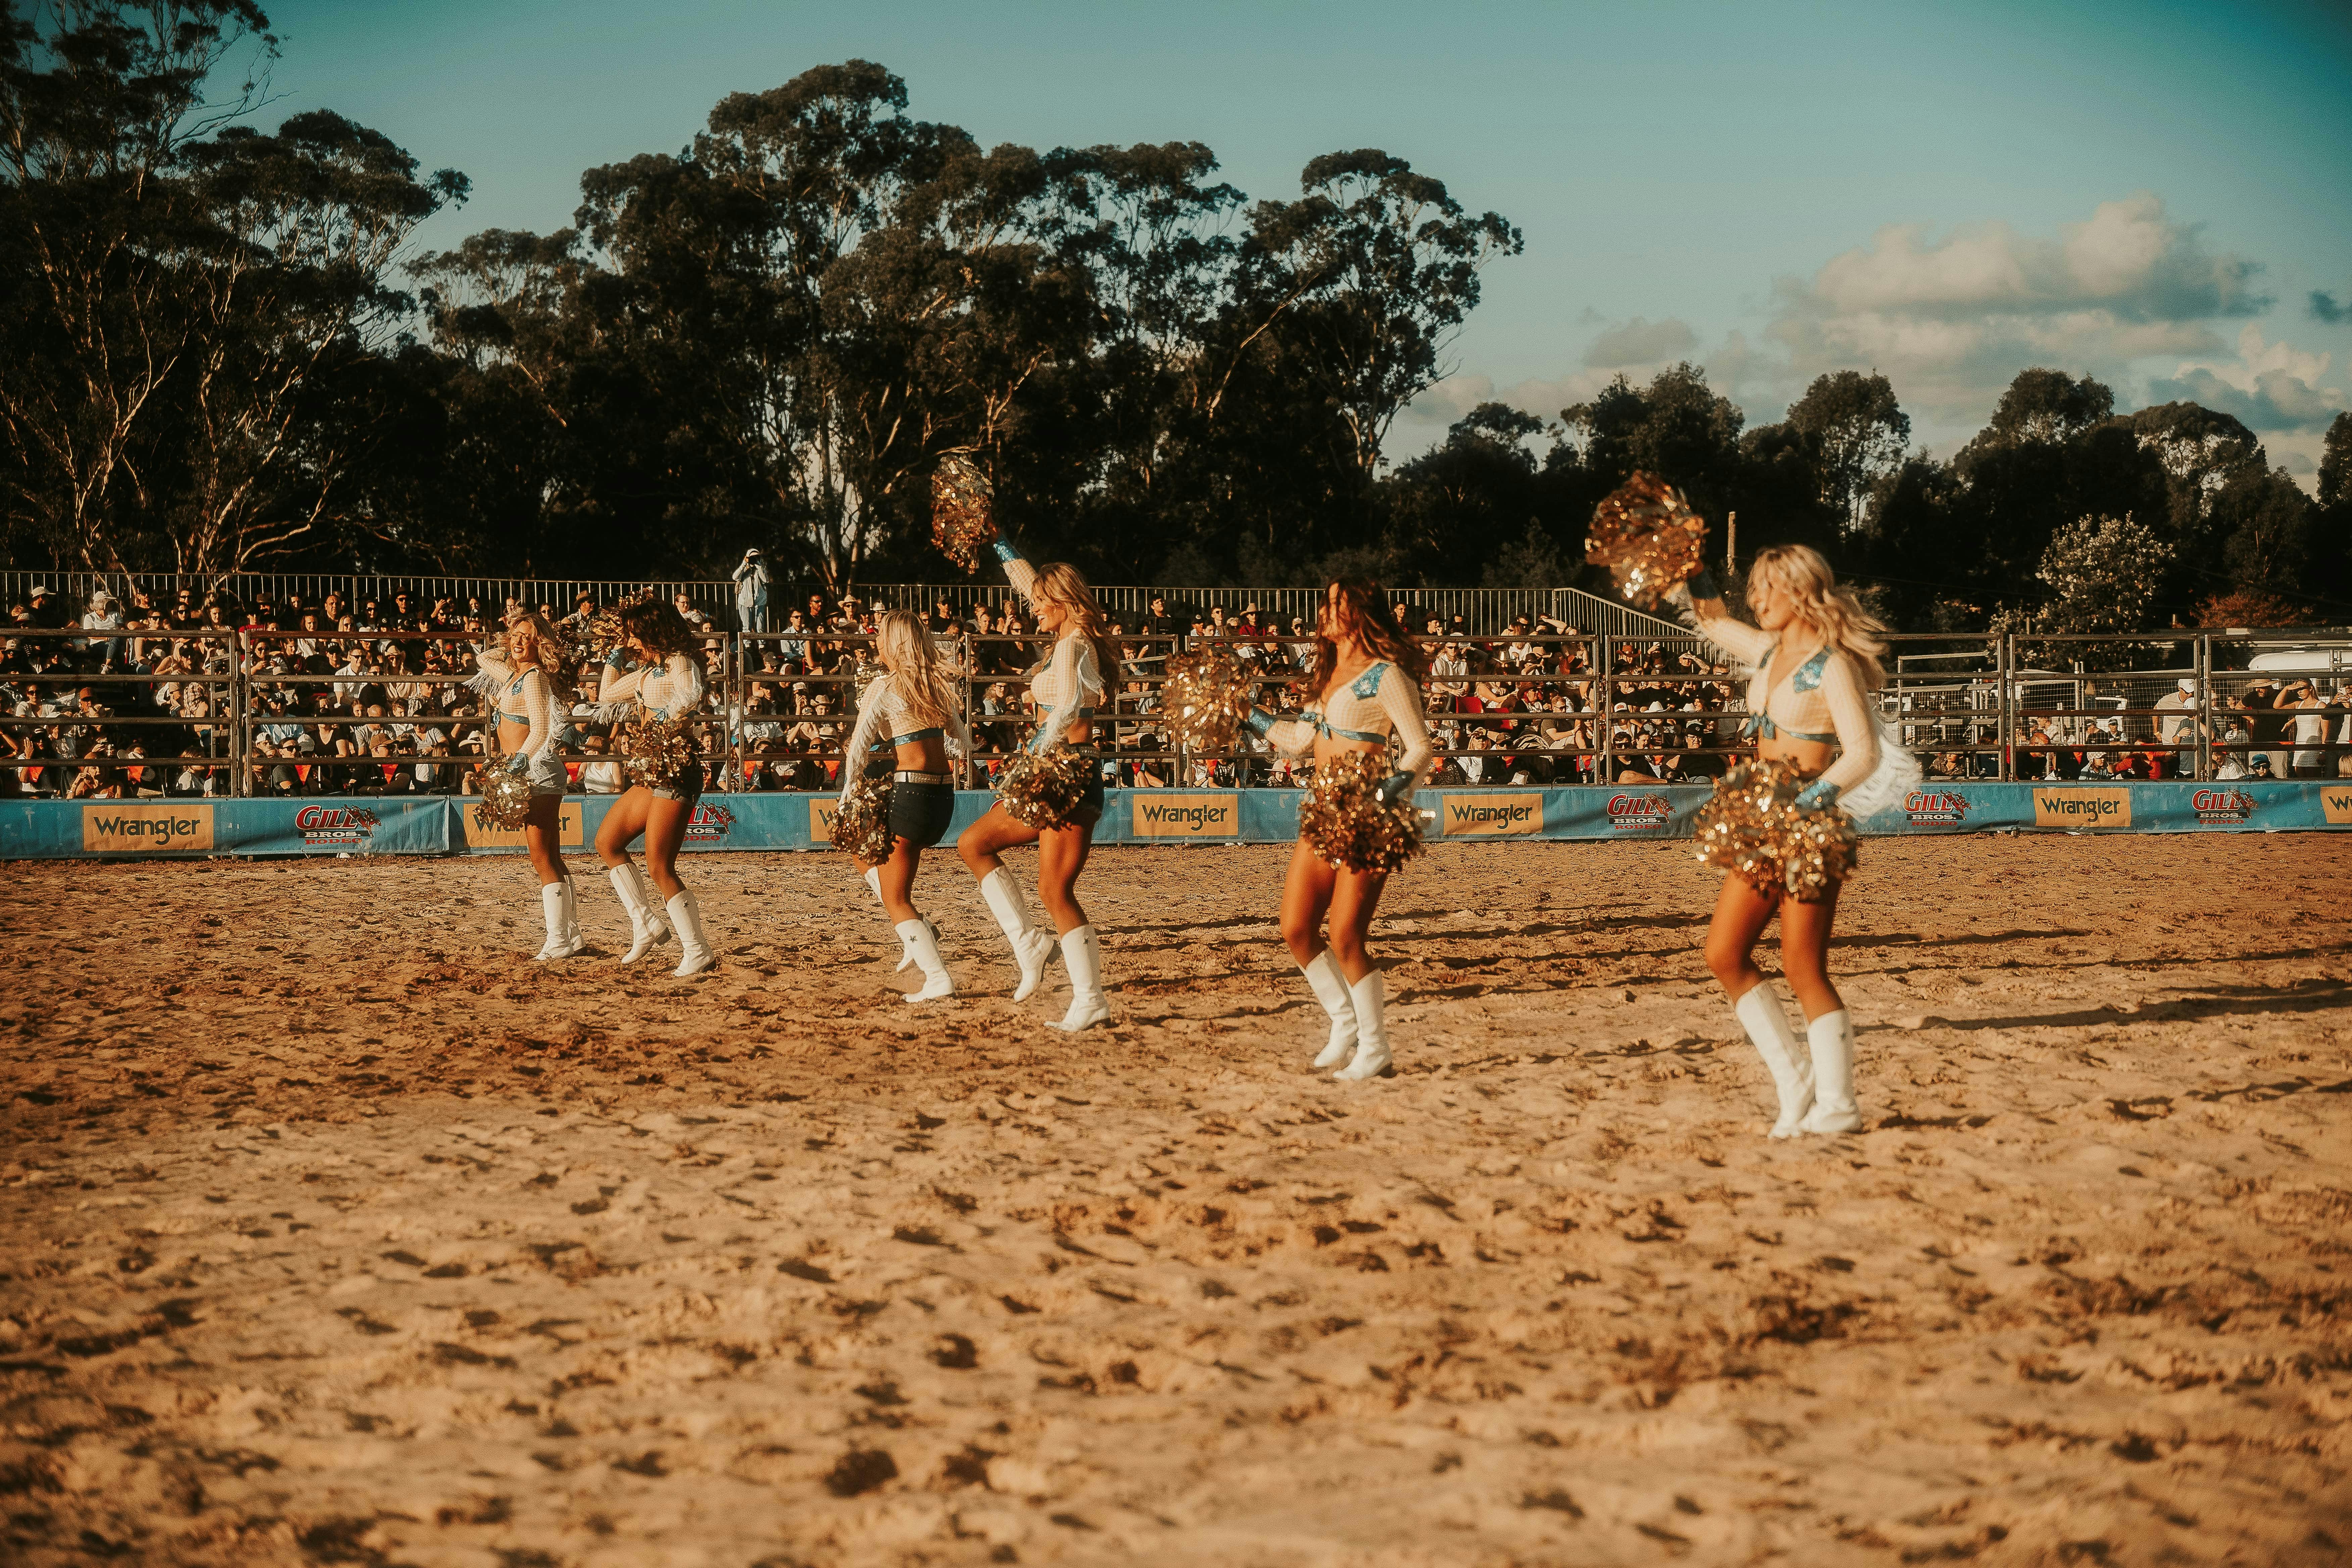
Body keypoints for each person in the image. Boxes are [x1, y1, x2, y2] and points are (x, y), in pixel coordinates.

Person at [1686, 545, 1890, 1138]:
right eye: (1752, 590)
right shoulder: (1768, 651)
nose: (1755, 601)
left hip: (1807, 820)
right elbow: (1710, 621)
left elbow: (1863, 753)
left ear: (1799, 591)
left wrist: (1808, 803)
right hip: (1757, 819)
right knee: (1723, 954)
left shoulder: (1830, 664)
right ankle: (1794, 1079)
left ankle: (1838, 1104)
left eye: (1765, 590)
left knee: (1802, 964)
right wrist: (1692, 569)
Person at [1246, 580, 1435, 1081]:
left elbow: (1420, 748)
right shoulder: (1328, 678)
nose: (1324, 611)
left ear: (1360, 612)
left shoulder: (1386, 675)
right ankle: (1344, 1021)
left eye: (1335, 603)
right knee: (1296, 929)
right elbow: (1296, 743)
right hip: (1323, 814)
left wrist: (1384, 797)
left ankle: (1376, 1048)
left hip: (1370, 815)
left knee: (1347, 934)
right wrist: (1246, 712)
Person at [956, 527, 1121, 1029]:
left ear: (1066, 602)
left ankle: (1090, 999)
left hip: (1068, 770)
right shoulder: (1067, 638)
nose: (1033, 607)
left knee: (1055, 890)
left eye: (1044, 602)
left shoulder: (1076, 647)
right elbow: (1030, 584)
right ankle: (1031, 945)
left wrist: (1033, 748)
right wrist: (999, 542)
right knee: (974, 843)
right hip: (1051, 769)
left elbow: (1069, 705)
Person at [842, 610, 971, 1002]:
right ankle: (917, 934)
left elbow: (858, 747)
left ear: (893, 644)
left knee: (896, 898)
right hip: (942, 800)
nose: (876, 643)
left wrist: (848, 789)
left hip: (911, 795)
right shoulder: (938, 686)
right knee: (862, 850)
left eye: (881, 636)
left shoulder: (884, 686)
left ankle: (936, 974)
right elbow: (962, 746)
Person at [591, 598, 718, 976]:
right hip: (653, 770)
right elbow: (607, 694)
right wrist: (614, 654)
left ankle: (697, 951)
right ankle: (645, 923)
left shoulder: (679, 662)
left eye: (634, 634)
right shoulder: (649, 671)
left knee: (660, 865)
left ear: (653, 631)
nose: (631, 641)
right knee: (608, 842)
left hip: (676, 768)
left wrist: (663, 722)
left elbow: (690, 693)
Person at [469, 610, 581, 962]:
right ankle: (572, 935)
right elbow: (483, 658)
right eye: (515, 635)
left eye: (527, 636)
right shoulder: (513, 675)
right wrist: (510, 636)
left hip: (538, 772)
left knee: (541, 857)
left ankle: (558, 940)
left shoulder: (534, 678)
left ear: (539, 642)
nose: (518, 641)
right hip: (528, 772)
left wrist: (519, 763)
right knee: (553, 858)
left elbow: (542, 729)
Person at [733, 549, 773, 634]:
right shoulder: (744, 569)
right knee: (747, 626)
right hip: (745, 601)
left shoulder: (760, 569)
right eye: (752, 558)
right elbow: (735, 577)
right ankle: (748, 646)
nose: (754, 559)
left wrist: (759, 565)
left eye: (756, 557)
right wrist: (744, 564)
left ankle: (762, 646)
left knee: (760, 626)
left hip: (760, 602)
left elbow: (766, 580)